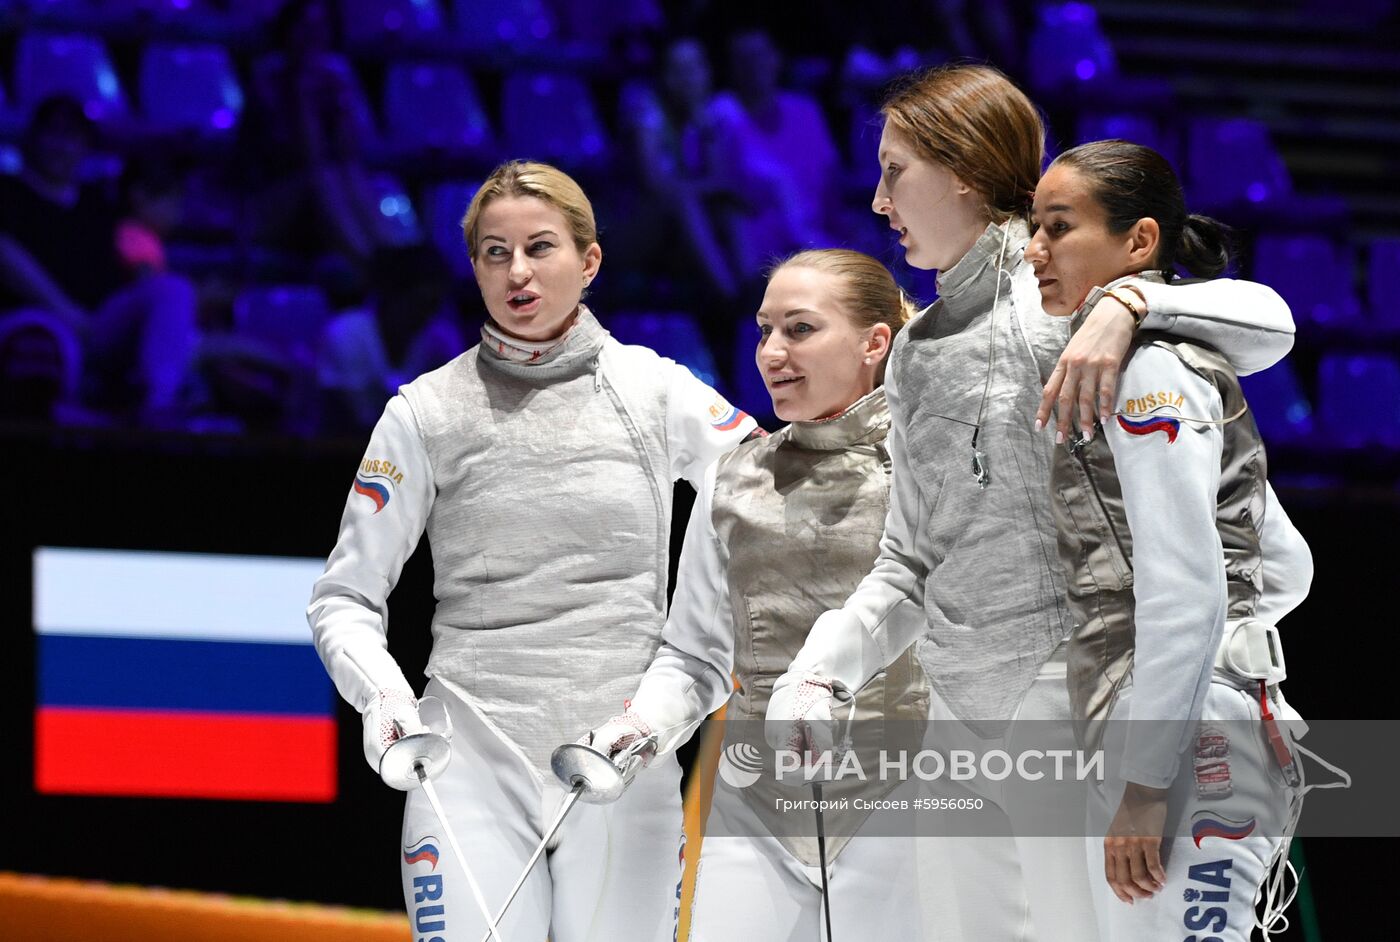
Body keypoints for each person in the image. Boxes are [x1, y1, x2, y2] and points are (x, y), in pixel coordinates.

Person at [764, 64, 1299, 942]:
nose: (876, 200)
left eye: (895, 170)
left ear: (963, 170)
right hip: (960, 715)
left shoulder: (1075, 299)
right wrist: (824, 666)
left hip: (1087, 698)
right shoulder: (917, 354)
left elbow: (1270, 323)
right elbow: (911, 561)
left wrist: (1133, 300)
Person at [307, 160, 758, 942]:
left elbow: (767, 500)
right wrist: (383, 700)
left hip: (623, 756)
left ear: (588, 262)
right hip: (467, 762)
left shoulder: (656, 390)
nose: (516, 271)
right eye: (494, 251)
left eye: (539, 247)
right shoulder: (424, 412)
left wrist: (668, 701)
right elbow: (344, 598)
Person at [584, 249, 929, 939]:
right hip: (757, 803)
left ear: (875, 342)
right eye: (764, 330)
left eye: (800, 329)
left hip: (907, 797)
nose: (772, 352)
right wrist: (641, 725)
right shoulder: (735, 477)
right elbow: (694, 655)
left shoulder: (933, 468)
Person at [1026, 139, 1321, 940]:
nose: (1035, 249)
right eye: (1033, 227)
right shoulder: (1132, 363)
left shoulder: (1148, 371)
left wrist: (1150, 777)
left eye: (1059, 227)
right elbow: (1286, 565)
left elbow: (1187, 587)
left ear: (1140, 242)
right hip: (1181, 718)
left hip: (1185, 742)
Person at [0, 95, 201, 422]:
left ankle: (158, 408)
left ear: (86, 147)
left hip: (96, 326)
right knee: (42, 340)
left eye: (73, 137)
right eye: (53, 134)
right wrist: (61, 308)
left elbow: (133, 270)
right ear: (32, 138)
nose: (62, 147)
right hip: (30, 320)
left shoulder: (98, 204)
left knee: (173, 290)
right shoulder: (8, 192)